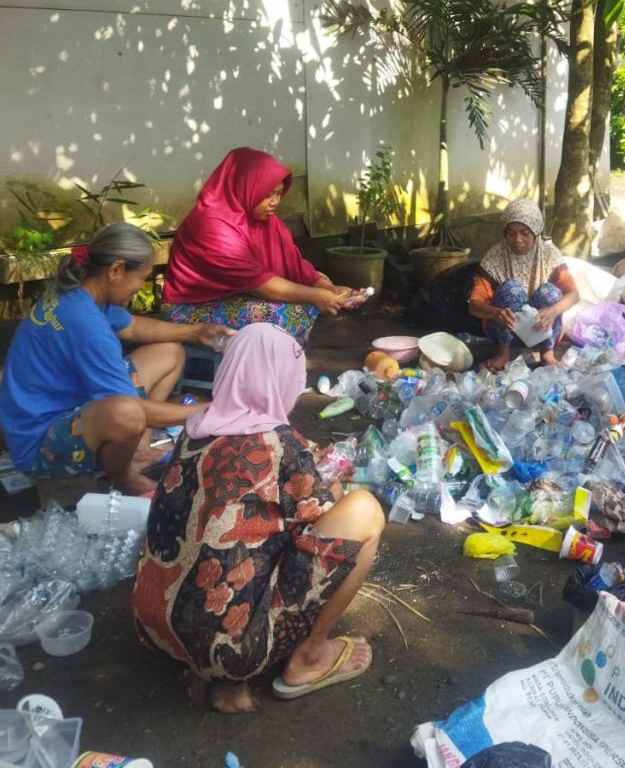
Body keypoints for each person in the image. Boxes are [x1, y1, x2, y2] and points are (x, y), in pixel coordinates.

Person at [133, 324, 384, 714]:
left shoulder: (194, 430)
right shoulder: (281, 446)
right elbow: (320, 530)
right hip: (233, 649)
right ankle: (308, 656)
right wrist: (330, 490)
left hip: (153, 627)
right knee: (364, 510)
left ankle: (209, 670)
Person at [0, 223, 224, 495]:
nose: (140, 286)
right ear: (116, 270)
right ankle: (124, 477)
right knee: (127, 414)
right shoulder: (89, 327)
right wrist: (214, 409)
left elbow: (133, 327)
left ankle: (137, 449)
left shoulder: (79, 293)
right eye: (142, 277)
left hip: (48, 408)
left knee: (170, 351)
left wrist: (195, 332)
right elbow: (133, 409)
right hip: (38, 443)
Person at [163, 147, 363, 348]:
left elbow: (293, 264)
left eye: (279, 193)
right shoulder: (212, 225)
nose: (275, 202)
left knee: (319, 281)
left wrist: (332, 290)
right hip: (191, 308)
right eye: (268, 195)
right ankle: (269, 361)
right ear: (245, 188)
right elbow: (257, 284)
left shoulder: (265, 221)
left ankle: (275, 355)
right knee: (290, 312)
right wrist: (316, 295)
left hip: (237, 293)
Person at [468, 200, 579, 369]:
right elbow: (474, 306)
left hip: (541, 331)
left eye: (525, 233)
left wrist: (553, 311)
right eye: (511, 233)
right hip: (506, 332)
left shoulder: (549, 255)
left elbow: (574, 295)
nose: (517, 239)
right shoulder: (495, 257)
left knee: (550, 292)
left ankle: (547, 354)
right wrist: (497, 313)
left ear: (535, 232)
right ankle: (503, 354)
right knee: (510, 289)